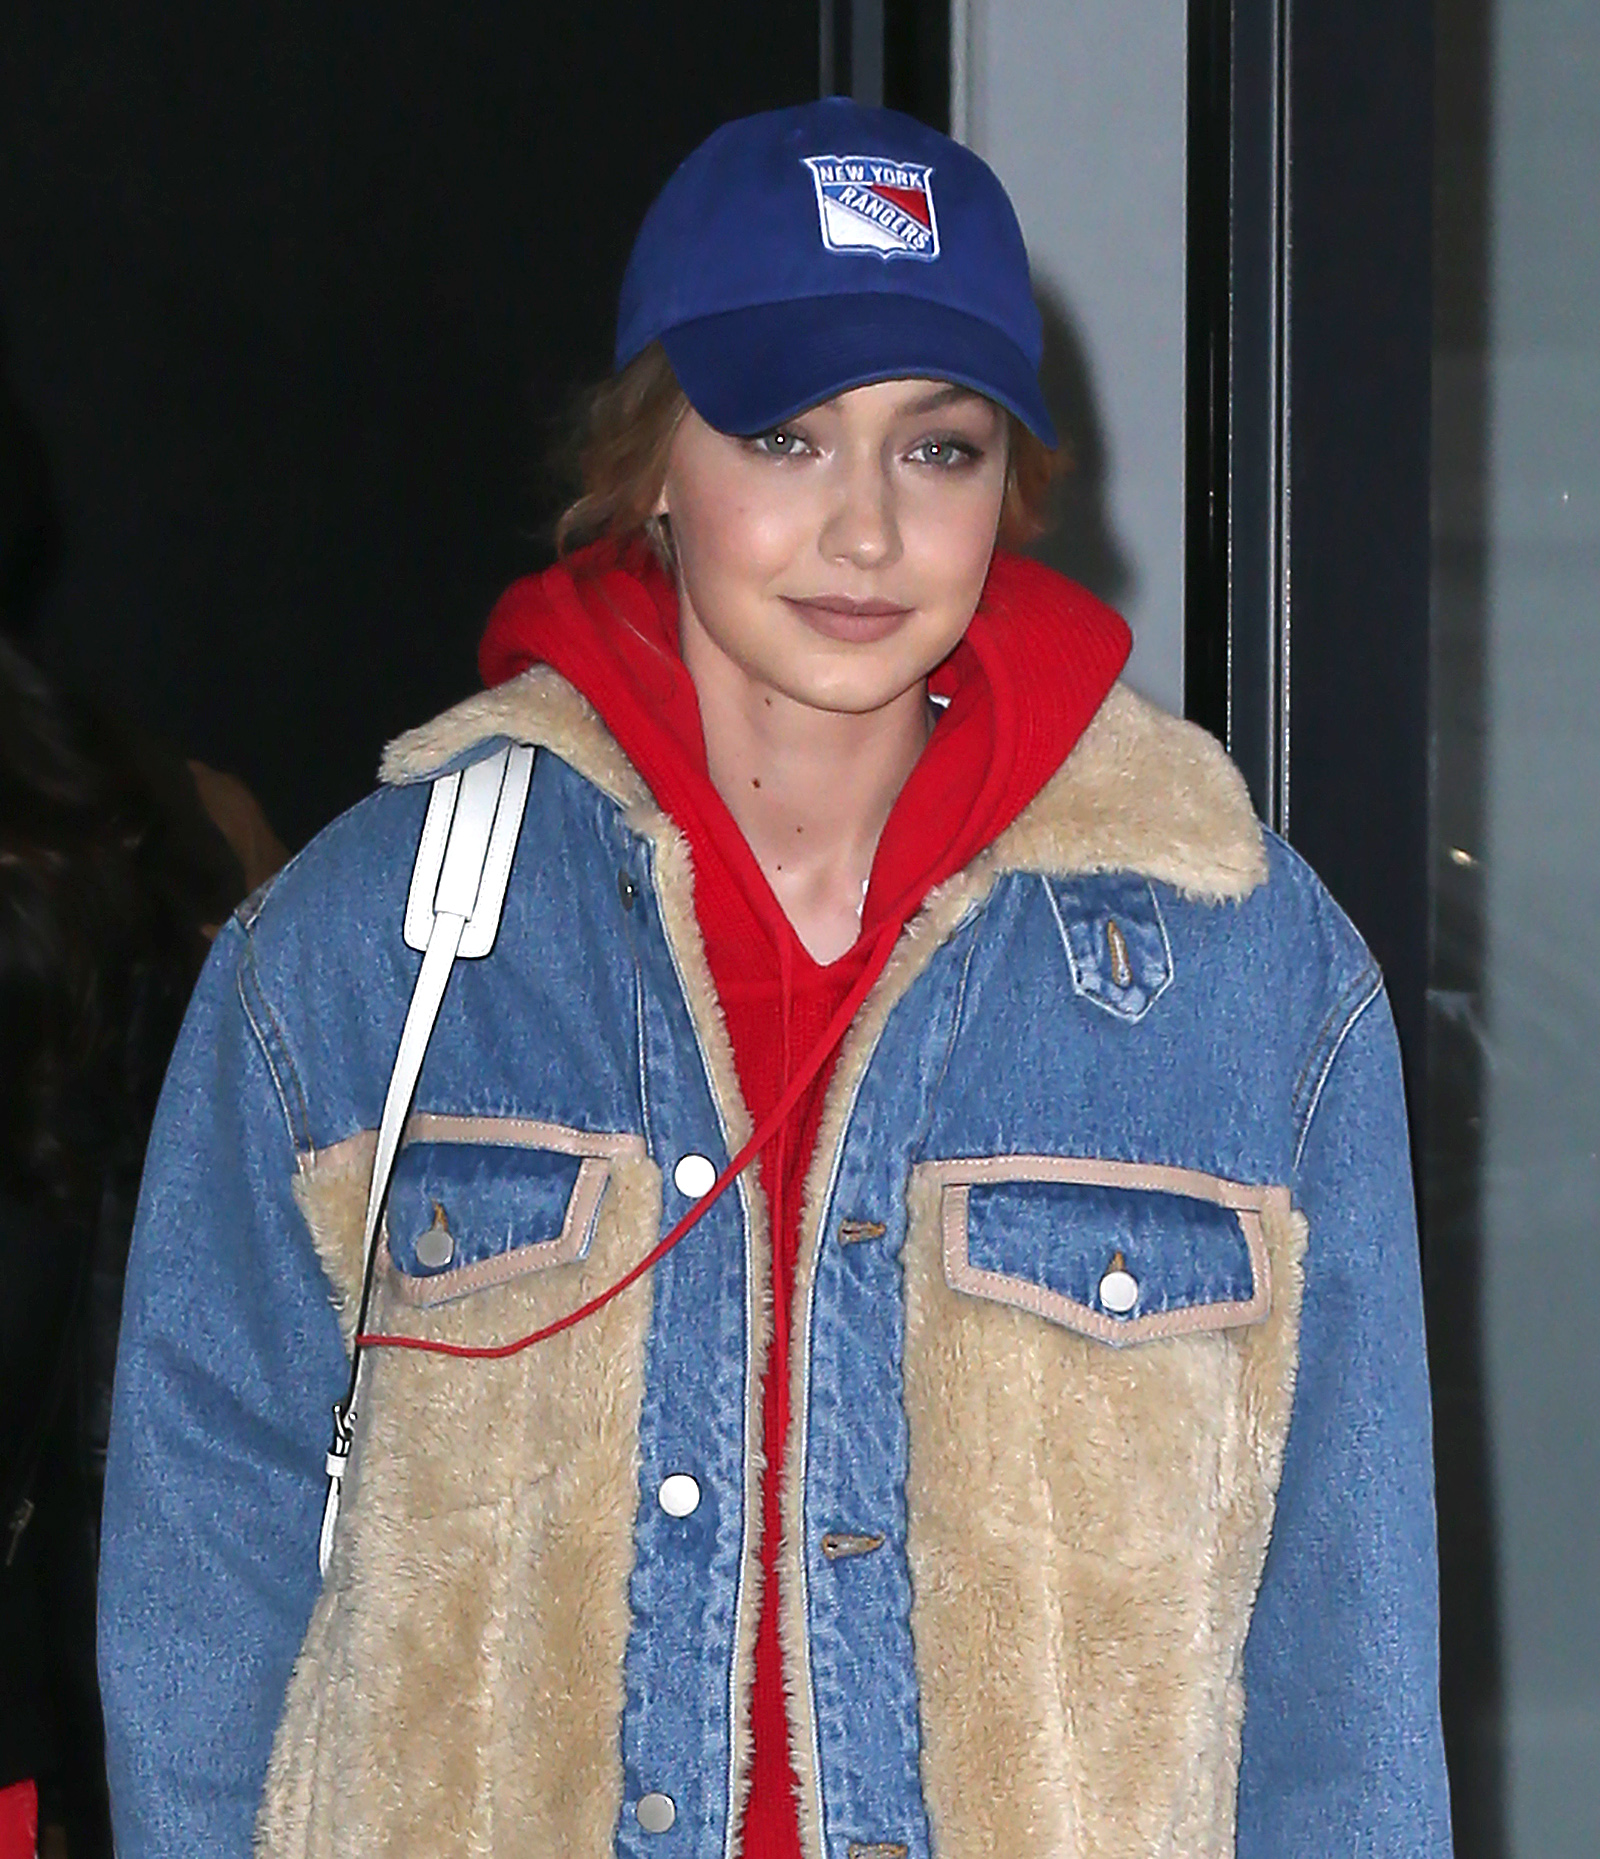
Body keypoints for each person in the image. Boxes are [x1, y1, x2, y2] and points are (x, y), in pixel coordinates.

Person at [98, 99, 1452, 1857]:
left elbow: (1346, 1688)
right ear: (652, 462)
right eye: (785, 436)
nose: (868, 531)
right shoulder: (368, 953)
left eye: (939, 447)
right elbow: (203, 1615)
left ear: (1012, 485)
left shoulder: (1245, 971)